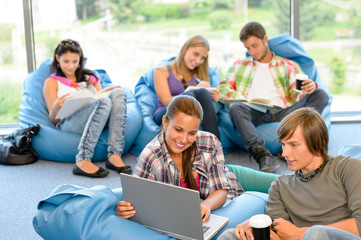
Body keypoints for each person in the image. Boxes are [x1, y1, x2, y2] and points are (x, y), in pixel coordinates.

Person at [116, 95, 276, 221]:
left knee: (286, 184)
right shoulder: (150, 157)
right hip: (224, 200)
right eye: (178, 130)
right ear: (165, 122)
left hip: (233, 177)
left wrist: (206, 205)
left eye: (192, 133)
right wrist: (126, 209)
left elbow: (221, 190)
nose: (184, 139)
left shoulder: (209, 141)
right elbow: (140, 203)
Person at [217, 107, 361, 240]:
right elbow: (281, 234)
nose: (284, 153)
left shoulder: (348, 167)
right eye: (283, 144)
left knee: (317, 233)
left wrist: (300, 233)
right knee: (231, 235)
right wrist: (257, 226)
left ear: (317, 143)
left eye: (293, 144)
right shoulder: (280, 186)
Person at [217, 22, 329, 173]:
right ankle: (262, 155)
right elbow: (223, 87)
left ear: (265, 39)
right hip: (255, 112)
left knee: (320, 94)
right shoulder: (239, 65)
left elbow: (297, 92)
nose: (252, 52)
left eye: (255, 45)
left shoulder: (287, 65)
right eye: (248, 48)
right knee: (236, 107)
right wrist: (241, 99)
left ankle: (298, 143)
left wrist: (308, 87)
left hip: (285, 112)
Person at [43, 39, 132, 178]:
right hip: (70, 122)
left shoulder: (90, 78)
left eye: (75, 61)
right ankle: (83, 159)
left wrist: (107, 91)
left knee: (118, 93)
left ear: (80, 60)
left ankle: (114, 155)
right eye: (66, 61)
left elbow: (101, 98)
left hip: (99, 116)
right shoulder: (52, 82)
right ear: (57, 59)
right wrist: (56, 107)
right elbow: (53, 119)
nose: (70, 66)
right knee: (103, 102)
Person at [153, 34, 221, 140]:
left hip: (192, 114)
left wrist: (212, 96)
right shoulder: (161, 70)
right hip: (165, 112)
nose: (198, 61)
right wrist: (192, 92)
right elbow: (166, 101)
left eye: (202, 58)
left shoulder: (198, 73)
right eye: (195, 54)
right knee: (188, 96)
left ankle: (216, 147)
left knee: (202, 92)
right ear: (184, 48)